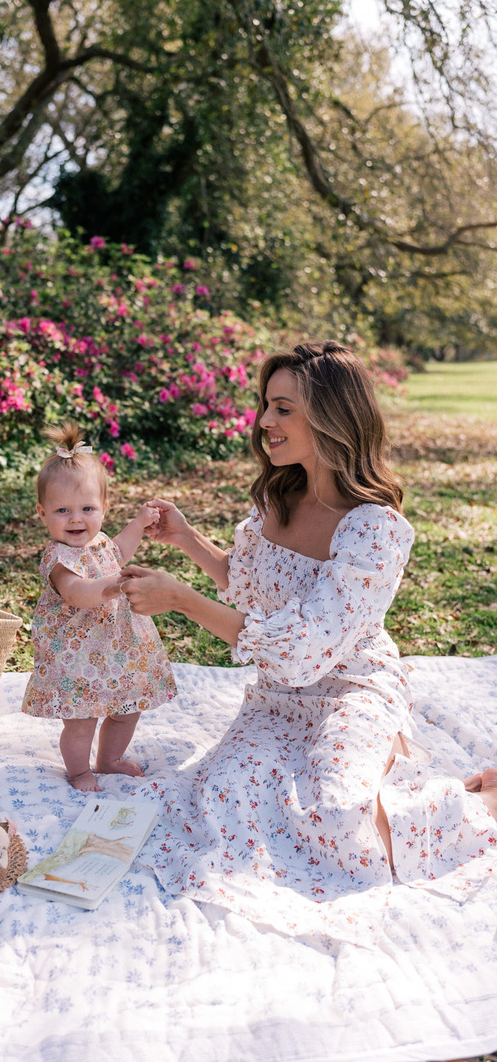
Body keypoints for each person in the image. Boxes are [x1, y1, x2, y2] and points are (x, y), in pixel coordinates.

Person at [118, 341, 497, 933]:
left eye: (284, 408)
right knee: (223, 799)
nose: (265, 421)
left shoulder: (376, 530)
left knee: (336, 807)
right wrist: (189, 541)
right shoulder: (278, 497)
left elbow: (302, 646)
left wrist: (182, 601)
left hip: (352, 686)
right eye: (266, 406)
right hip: (278, 699)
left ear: (332, 416)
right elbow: (253, 588)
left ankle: (474, 802)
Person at [22, 420, 177, 793]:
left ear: (104, 508)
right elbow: (76, 592)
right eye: (62, 511)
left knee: (128, 710)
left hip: (119, 650)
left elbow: (119, 552)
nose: (76, 518)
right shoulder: (57, 558)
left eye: (87, 508)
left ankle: (109, 759)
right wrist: (111, 586)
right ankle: (78, 772)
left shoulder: (102, 541)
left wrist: (139, 524)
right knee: (81, 719)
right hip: (78, 657)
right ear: (43, 514)